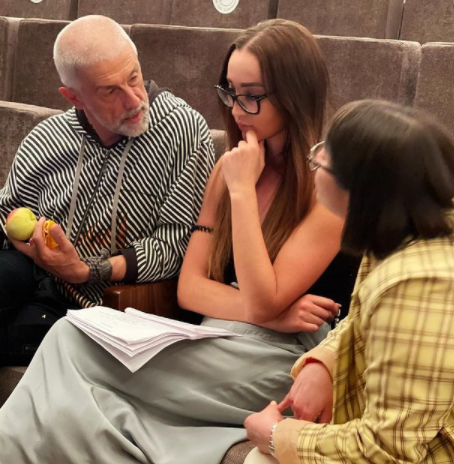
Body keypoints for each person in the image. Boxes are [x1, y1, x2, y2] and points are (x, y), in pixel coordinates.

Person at [0, 19, 359, 464]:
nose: (237, 109)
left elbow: (263, 300)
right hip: (214, 340)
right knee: (72, 349)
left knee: (70, 341)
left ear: (294, 94)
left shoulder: (330, 182)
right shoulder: (228, 169)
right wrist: (275, 312)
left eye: (252, 94)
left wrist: (242, 193)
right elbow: (192, 290)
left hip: (286, 364)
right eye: (230, 91)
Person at [244, 100, 454, 464]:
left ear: (361, 187)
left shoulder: (417, 283)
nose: (316, 157)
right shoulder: (402, 228)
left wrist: (279, 437)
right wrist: (324, 361)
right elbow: (359, 321)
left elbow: (389, 450)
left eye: (327, 154)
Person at [0, 15, 215, 365]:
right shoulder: (47, 139)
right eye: (110, 91)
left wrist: (87, 270)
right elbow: (7, 213)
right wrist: (29, 243)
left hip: (116, 304)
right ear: (74, 97)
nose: (134, 100)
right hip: (41, 282)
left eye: (134, 77)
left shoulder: (182, 129)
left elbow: (178, 245)